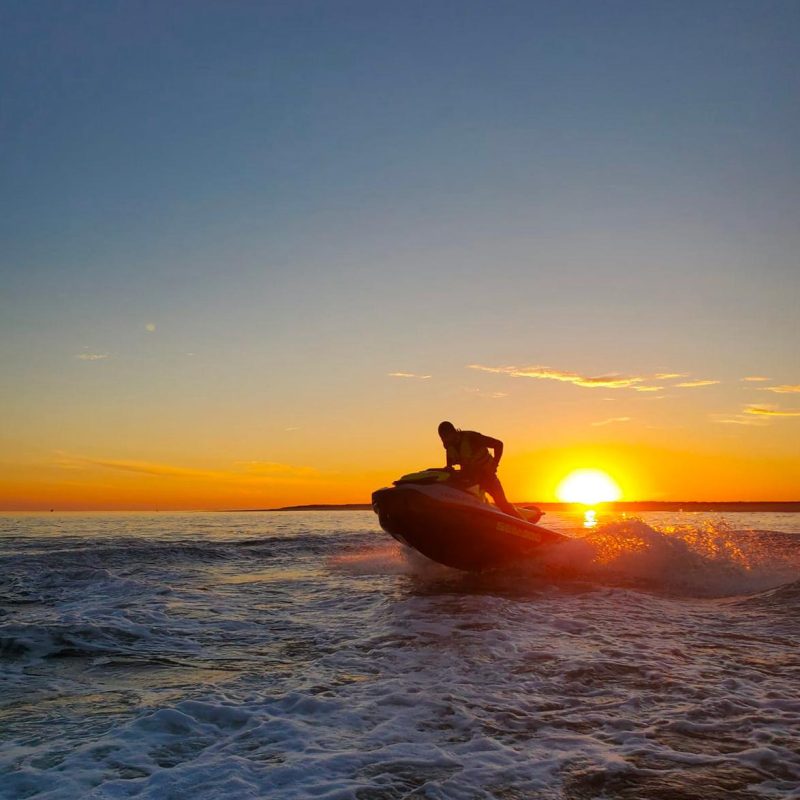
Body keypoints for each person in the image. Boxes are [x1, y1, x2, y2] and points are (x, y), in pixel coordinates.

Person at [437, 421, 521, 518]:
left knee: (502, 504)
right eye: (442, 438)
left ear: (453, 432)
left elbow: (499, 444)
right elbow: (449, 467)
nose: (444, 441)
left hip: (488, 478)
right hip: (471, 481)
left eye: (446, 437)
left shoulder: (472, 438)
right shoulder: (449, 447)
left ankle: (524, 526)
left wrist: (495, 464)